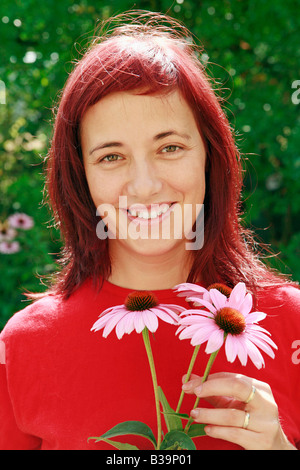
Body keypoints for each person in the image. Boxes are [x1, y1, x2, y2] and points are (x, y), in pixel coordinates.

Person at [0, 11, 299, 450]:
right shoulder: (25, 345)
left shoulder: (291, 324)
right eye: (110, 157)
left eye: (170, 147)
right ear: (79, 178)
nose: (144, 186)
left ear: (210, 157)